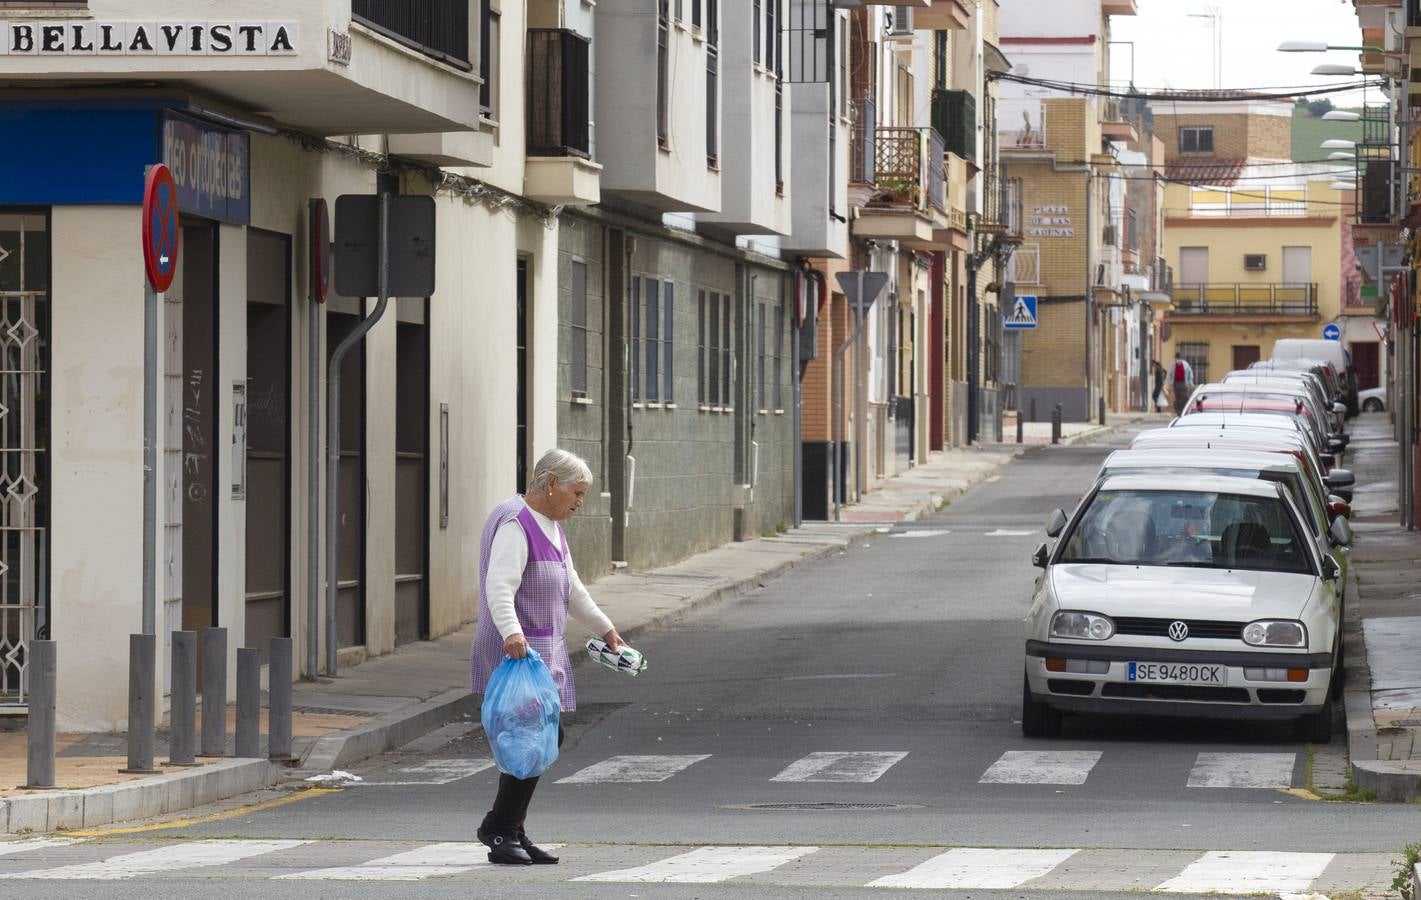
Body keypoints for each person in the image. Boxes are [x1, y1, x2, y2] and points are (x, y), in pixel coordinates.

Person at [470, 449, 625, 866]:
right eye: (577, 493)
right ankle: (501, 828)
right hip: (516, 654)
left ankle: (508, 828)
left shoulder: (553, 528)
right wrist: (511, 632)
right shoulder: (515, 523)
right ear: (552, 483)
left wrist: (606, 630)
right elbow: (498, 586)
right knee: (534, 740)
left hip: (541, 654)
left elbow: (572, 589)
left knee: (539, 740)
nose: (579, 502)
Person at [1170, 352, 1194, 416]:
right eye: (1177, 358)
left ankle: (1183, 409)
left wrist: (1190, 382)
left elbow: (1190, 372)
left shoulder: (1185, 364)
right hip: (1176, 383)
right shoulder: (1173, 365)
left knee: (1185, 397)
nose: (1178, 360)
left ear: (1181, 358)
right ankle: (1179, 412)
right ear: (1175, 359)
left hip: (1184, 383)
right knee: (1177, 398)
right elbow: (1170, 374)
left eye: (1179, 358)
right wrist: (1170, 383)